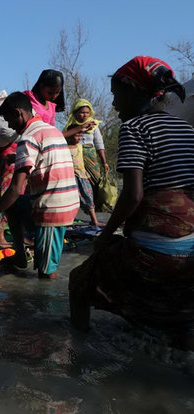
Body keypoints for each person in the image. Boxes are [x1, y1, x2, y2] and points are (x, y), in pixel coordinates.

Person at [69, 56, 194, 350]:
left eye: (116, 95)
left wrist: (106, 233)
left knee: (78, 281)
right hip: (191, 251)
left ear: (136, 91)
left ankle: (77, 356)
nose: (113, 104)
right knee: (184, 315)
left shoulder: (135, 128)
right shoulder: (188, 130)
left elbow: (133, 195)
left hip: (155, 250)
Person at [0, 92, 79, 279]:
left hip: (53, 209)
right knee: (14, 205)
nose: (10, 126)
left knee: (46, 275)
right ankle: (20, 255)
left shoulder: (27, 138)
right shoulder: (51, 130)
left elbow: (14, 189)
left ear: (18, 114)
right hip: (67, 202)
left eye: (9, 120)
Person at [0, 70, 66, 248]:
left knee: (26, 195)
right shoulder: (26, 97)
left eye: (57, 93)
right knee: (8, 192)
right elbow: (0, 102)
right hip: (12, 153)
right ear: (41, 86)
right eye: (50, 92)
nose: (54, 96)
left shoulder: (51, 107)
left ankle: (20, 236)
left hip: (33, 155)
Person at [62, 98, 110, 194]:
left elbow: (99, 143)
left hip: (90, 156)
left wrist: (104, 162)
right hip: (76, 158)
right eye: (82, 112)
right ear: (75, 113)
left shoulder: (93, 125)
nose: (85, 115)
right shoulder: (70, 127)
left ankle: (96, 203)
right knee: (79, 180)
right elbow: (63, 140)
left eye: (87, 112)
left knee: (96, 179)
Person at [66, 125, 101, 226]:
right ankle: (69, 221)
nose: (79, 138)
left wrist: (89, 175)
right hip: (71, 178)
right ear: (69, 136)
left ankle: (95, 221)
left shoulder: (81, 147)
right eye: (76, 136)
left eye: (80, 136)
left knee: (88, 196)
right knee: (72, 199)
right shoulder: (65, 148)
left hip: (83, 176)